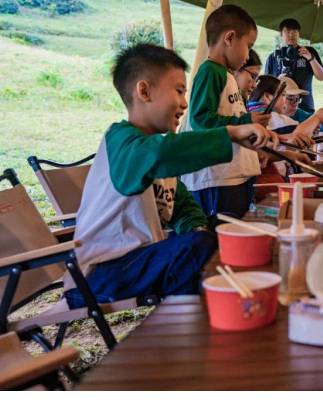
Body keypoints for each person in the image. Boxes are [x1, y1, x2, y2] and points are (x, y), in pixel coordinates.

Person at [65, 44, 274, 310]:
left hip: (139, 262)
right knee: (198, 246)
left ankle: (208, 314)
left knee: (220, 229)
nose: (185, 102)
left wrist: (199, 228)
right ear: (144, 91)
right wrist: (231, 133)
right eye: (178, 91)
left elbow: (183, 207)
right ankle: (185, 324)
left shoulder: (155, 149)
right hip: (100, 274)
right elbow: (160, 155)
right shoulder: (121, 141)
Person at [181, 5, 273, 220]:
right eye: (248, 46)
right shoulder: (210, 71)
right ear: (230, 38)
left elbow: (230, 120)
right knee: (221, 244)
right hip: (215, 179)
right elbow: (201, 119)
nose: (248, 54)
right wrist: (247, 120)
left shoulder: (226, 75)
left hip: (231, 176)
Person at [264, 18, 323, 113]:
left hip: (305, 106)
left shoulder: (309, 52)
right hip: (281, 109)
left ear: (299, 33)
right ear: (281, 34)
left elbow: (321, 77)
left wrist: (310, 58)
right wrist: (278, 81)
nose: (291, 35)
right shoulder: (274, 57)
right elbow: (265, 86)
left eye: (294, 31)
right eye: (287, 31)